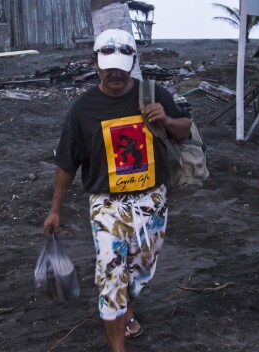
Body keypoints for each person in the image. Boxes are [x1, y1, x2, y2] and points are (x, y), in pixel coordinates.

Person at [43, 28, 192, 351]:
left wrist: (165, 119)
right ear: (95, 63)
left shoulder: (153, 94)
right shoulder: (83, 110)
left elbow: (186, 129)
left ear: (133, 63)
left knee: (140, 271)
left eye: (121, 68)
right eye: (108, 67)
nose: (115, 75)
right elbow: (67, 163)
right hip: (107, 205)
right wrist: (54, 210)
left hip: (152, 201)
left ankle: (128, 308)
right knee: (111, 275)